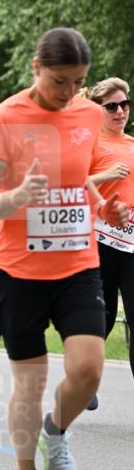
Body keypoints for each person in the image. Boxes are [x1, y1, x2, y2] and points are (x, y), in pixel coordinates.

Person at [0, 27, 128, 470]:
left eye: (78, 82)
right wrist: (18, 198)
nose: (69, 94)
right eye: (60, 81)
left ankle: (55, 432)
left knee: (88, 369)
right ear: (37, 68)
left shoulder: (87, 113)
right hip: (18, 269)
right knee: (30, 382)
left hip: (77, 264)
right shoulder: (4, 118)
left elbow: (78, 181)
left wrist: (104, 209)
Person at [88, 77, 134, 379]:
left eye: (125, 104)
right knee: (99, 321)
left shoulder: (132, 144)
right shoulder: (88, 142)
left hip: (131, 245)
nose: (121, 111)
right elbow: (72, 183)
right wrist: (105, 174)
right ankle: (83, 379)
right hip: (100, 242)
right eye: (112, 106)